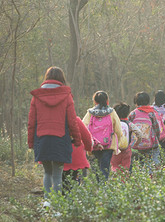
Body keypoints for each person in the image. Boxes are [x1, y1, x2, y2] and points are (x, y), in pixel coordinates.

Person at [27, 66, 82, 201]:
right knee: (58, 173)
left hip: (42, 138)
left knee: (47, 172)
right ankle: (57, 203)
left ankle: (47, 202)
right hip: (60, 138)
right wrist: (77, 139)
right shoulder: (67, 96)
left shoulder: (37, 97)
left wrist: (31, 142)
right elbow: (72, 121)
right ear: (61, 78)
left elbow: (31, 122)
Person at [83, 91, 123, 181]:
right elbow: (118, 130)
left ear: (95, 101)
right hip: (108, 145)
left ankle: (97, 187)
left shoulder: (90, 113)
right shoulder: (111, 112)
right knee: (105, 169)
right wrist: (117, 142)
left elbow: (84, 127)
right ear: (107, 100)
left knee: (96, 169)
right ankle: (104, 189)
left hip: (94, 145)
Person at [129, 92, 161, 172]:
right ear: (148, 102)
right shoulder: (151, 113)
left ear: (136, 103)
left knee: (139, 161)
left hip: (137, 144)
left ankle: (140, 174)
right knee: (152, 160)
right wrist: (158, 138)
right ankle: (152, 175)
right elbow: (156, 128)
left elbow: (128, 127)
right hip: (151, 144)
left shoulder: (133, 114)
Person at [62, 116, 93, 193]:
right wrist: (89, 149)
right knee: (74, 182)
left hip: (58, 156)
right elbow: (87, 137)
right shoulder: (75, 120)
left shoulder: (52, 121)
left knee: (60, 182)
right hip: (76, 157)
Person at [110, 102, 142, 173]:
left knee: (115, 167)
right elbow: (139, 134)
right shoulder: (129, 124)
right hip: (126, 149)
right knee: (125, 169)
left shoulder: (113, 124)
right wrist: (135, 143)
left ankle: (116, 181)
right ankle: (124, 182)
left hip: (115, 149)